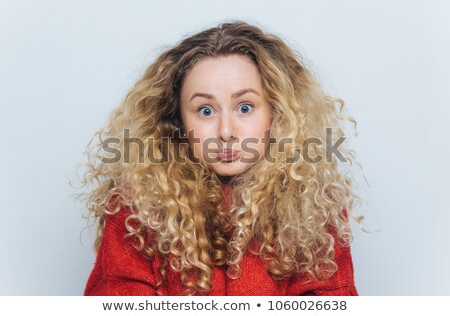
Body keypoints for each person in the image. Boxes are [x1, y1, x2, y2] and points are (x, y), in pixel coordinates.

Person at [79, 20, 362, 296]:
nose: (226, 132)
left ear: (277, 113)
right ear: (177, 122)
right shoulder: (134, 206)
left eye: (245, 107)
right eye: (205, 111)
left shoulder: (313, 207)